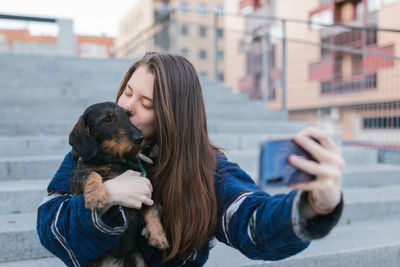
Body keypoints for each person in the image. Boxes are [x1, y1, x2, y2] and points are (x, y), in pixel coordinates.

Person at [37, 52, 345, 267]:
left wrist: (316, 205)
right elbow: (49, 222)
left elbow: (249, 220)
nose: (127, 107)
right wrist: (111, 196)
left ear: (173, 117)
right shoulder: (96, 148)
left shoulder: (206, 168)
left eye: (145, 102)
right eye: (127, 92)